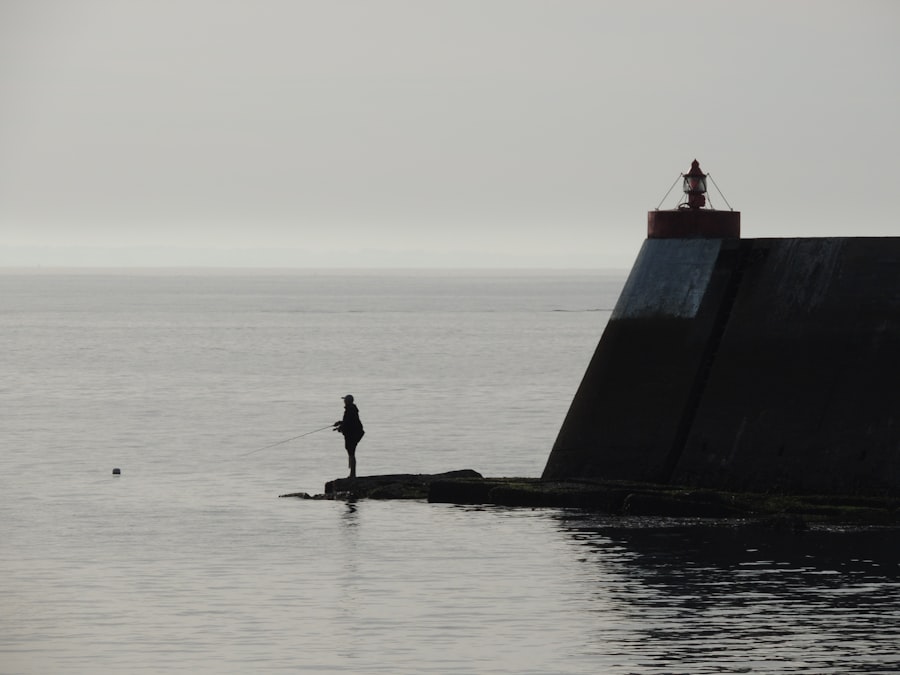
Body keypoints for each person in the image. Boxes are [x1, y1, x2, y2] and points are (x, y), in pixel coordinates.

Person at [333, 394, 364, 478]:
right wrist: (340, 423)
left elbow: (349, 423)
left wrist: (340, 428)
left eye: (345, 400)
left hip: (353, 434)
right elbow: (347, 421)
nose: (344, 401)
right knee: (350, 452)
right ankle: (352, 473)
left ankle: (352, 474)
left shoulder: (350, 410)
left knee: (351, 453)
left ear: (347, 401)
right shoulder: (351, 409)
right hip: (354, 433)